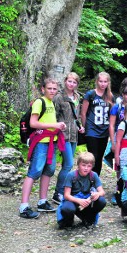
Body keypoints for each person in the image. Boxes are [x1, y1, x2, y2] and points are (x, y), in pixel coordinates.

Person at [19, 78, 66, 218]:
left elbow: (47, 121)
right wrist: (55, 125)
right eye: (49, 88)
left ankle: (42, 201)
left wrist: (57, 125)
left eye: (54, 88)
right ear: (43, 89)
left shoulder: (50, 103)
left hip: (52, 141)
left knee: (48, 171)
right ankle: (24, 206)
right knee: (35, 171)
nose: (52, 91)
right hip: (41, 142)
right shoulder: (40, 102)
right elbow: (33, 123)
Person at [52, 72, 82, 204]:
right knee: (69, 164)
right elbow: (54, 115)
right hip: (63, 134)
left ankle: (65, 191)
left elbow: (78, 115)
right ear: (65, 81)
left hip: (74, 134)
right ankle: (58, 192)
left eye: (74, 82)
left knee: (66, 164)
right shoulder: (59, 97)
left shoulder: (77, 97)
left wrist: (80, 126)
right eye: (69, 81)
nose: (71, 84)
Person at [56, 152, 106, 229]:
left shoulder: (93, 175)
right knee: (67, 208)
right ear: (78, 165)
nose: (86, 168)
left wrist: (97, 194)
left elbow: (102, 192)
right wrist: (79, 201)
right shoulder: (71, 175)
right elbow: (66, 195)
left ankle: (89, 218)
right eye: (83, 165)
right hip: (73, 200)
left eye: (89, 166)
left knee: (102, 201)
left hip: (87, 200)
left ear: (92, 167)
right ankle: (68, 221)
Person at [81, 72, 114, 175]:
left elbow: (111, 115)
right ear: (97, 81)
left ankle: (95, 181)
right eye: (100, 81)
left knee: (99, 157)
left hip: (104, 130)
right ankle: (87, 179)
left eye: (105, 81)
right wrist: (86, 127)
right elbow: (83, 113)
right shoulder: (90, 94)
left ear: (108, 83)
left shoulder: (110, 96)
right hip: (92, 129)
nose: (102, 84)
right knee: (92, 156)